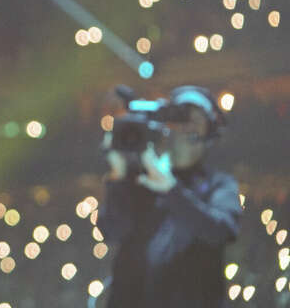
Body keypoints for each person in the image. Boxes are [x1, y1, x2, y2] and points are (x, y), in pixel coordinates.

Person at [97, 85, 241, 308]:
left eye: (194, 120)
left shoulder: (219, 185)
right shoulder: (139, 182)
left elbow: (221, 231)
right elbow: (113, 230)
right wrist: (119, 175)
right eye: (178, 118)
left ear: (209, 132)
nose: (184, 127)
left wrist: (171, 190)